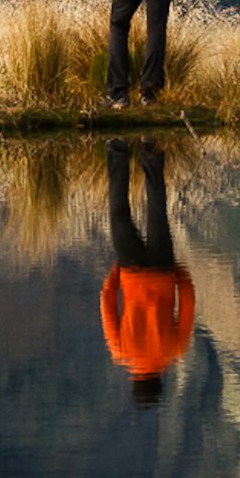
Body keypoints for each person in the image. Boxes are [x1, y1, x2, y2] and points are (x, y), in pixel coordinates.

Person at [97, 141, 194, 403]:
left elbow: (187, 305)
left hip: (163, 271)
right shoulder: (120, 352)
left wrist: (180, 274)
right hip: (131, 269)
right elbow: (107, 304)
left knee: (157, 209)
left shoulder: (175, 350)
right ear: (135, 380)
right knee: (118, 213)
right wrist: (116, 272)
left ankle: (150, 150)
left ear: (159, 379)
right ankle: (118, 147)